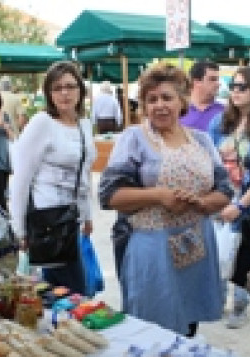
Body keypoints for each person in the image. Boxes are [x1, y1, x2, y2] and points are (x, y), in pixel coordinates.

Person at [99, 64, 233, 337]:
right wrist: (159, 196)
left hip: (196, 243)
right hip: (153, 247)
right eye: (152, 99)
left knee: (188, 325)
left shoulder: (202, 141)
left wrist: (204, 203)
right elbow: (109, 195)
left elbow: (225, 190)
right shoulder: (134, 139)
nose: (159, 105)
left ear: (182, 100)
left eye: (167, 98)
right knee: (153, 332)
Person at [10, 61, 97, 295]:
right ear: (48, 93)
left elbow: (84, 174)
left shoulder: (84, 125)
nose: (65, 93)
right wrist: (19, 230)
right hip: (49, 222)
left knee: (73, 292)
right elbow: (21, 178)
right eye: (57, 87)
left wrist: (87, 215)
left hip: (72, 220)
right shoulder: (42, 123)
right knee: (71, 292)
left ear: (81, 89)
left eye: (70, 86)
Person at [208, 66, 250, 329]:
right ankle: (216, 299)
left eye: (242, 87)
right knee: (219, 250)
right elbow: (209, 160)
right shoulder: (219, 123)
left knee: (243, 252)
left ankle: (240, 304)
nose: (235, 92)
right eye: (232, 86)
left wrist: (242, 203)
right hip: (220, 195)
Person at [180, 59, 224, 132]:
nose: (218, 84)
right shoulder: (178, 110)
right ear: (197, 82)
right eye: (212, 79)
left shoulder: (225, 112)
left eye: (217, 79)